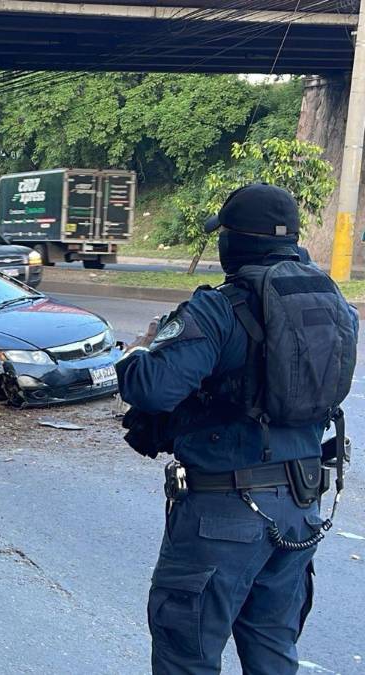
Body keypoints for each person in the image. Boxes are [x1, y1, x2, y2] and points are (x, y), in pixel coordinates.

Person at [116, 183, 357, 673]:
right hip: (301, 509)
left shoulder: (220, 307)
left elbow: (152, 388)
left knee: (188, 656)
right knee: (272, 651)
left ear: (235, 240)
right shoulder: (333, 303)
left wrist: (139, 351)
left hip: (224, 513)